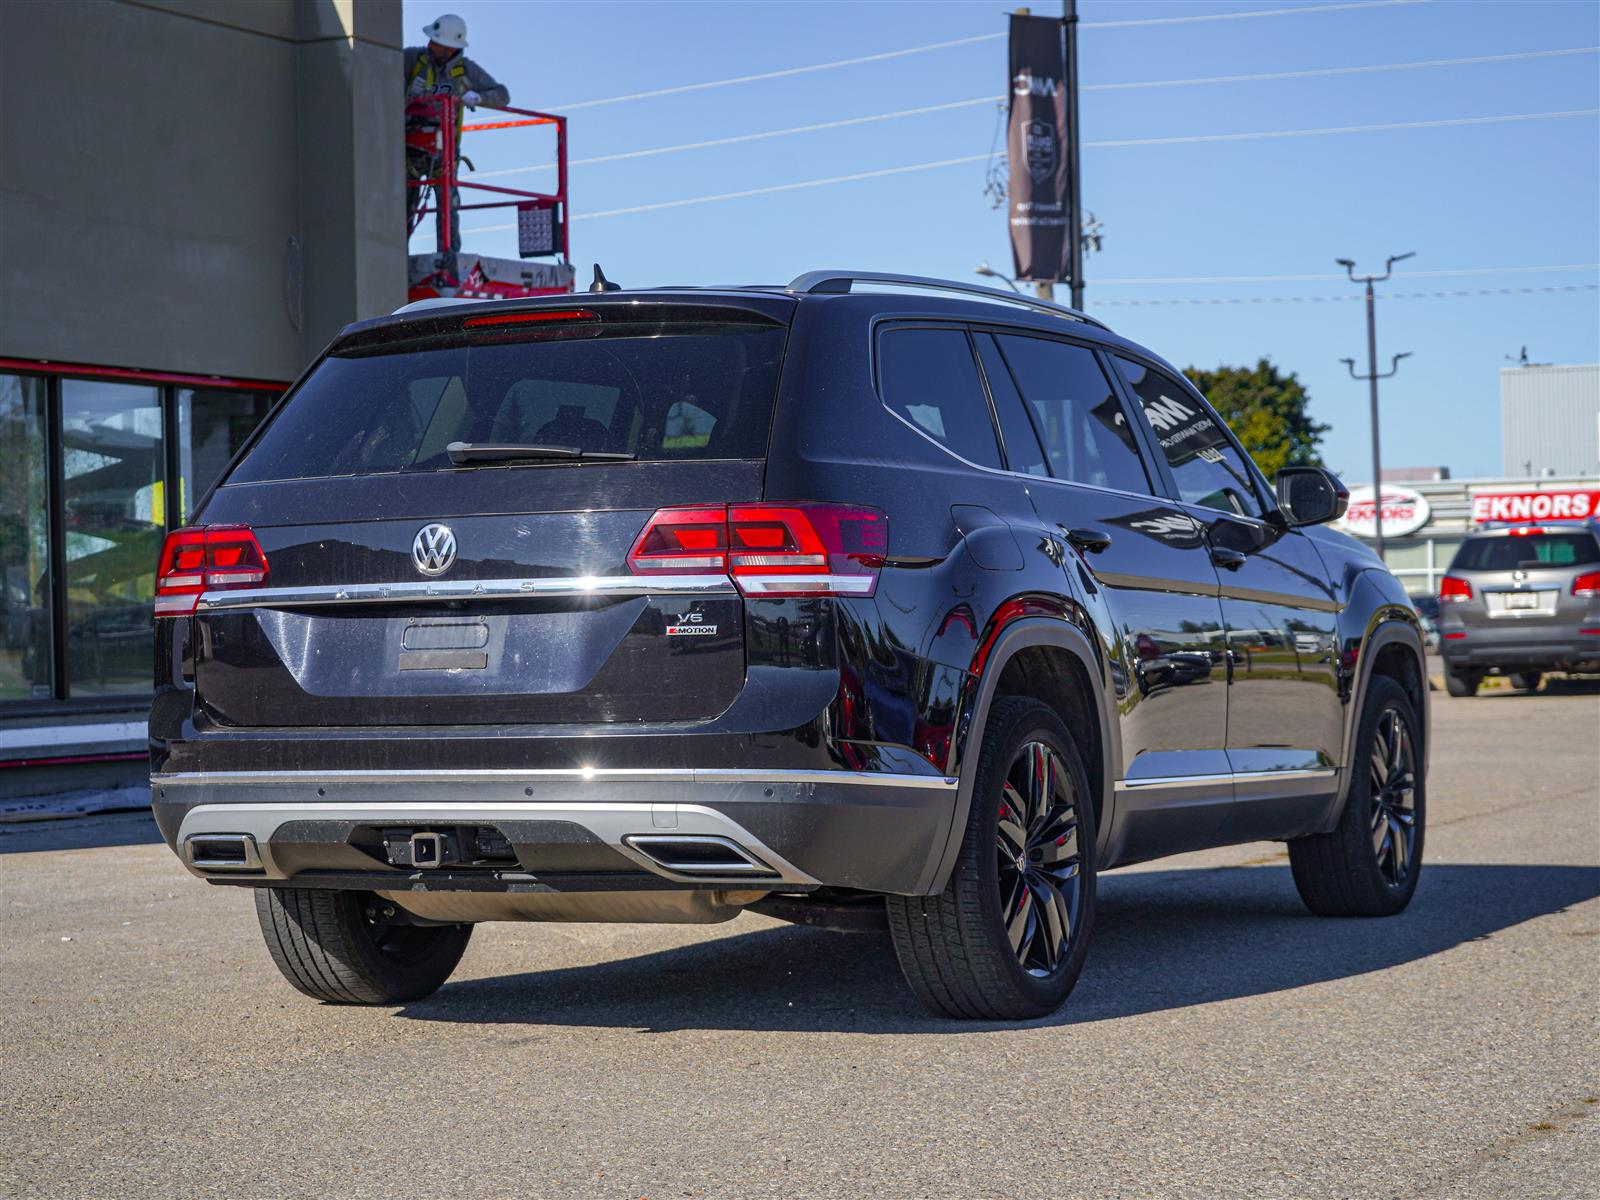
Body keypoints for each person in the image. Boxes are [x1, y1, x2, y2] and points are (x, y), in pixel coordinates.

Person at [403, 14, 510, 252]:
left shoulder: (466, 71)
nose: (431, 45)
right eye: (432, 40)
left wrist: (480, 97)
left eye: (437, 42)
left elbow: (502, 95)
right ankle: (397, 256)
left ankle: (448, 257)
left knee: (448, 206)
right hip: (408, 147)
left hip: (445, 151)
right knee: (403, 206)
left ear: (451, 48)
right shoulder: (412, 60)